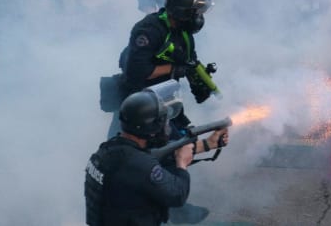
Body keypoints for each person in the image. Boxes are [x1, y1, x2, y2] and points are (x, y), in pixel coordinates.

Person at [85, 86, 229, 225]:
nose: (166, 127)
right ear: (150, 127)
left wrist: (208, 144)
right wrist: (182, 164)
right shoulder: (139, 164)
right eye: (164, 122)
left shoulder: (110, 149)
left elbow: (158, 154)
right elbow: (177, 195)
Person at [109, 0, 220, 139]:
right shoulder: (149, 29)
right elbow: (137, 71)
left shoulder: (183, 32)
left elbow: (189, 61)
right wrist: (176, 69)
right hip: (139, 102)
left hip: (165, 98)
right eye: (195, 12)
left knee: (181, 138)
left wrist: (200, 86)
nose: (199, 17)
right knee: (131, 143)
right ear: (182, 13)